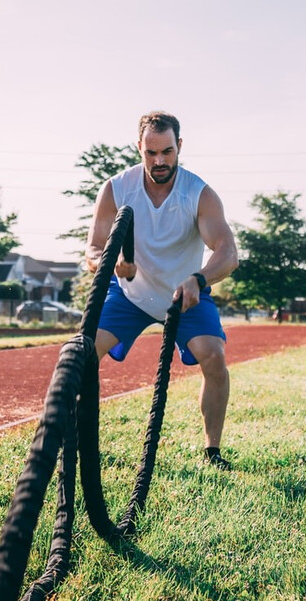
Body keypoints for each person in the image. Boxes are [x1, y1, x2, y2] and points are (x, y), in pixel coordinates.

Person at [85, 111, 239, 470]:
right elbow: (92, 249)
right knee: (84, 352)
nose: (159, 161)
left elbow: (228, 253)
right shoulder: (116, 188)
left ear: (179, 147)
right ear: (139, 148)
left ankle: (212, 451)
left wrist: (198, 280)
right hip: (129, 291)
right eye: (151, 153)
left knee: (214, 358)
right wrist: (108, 263)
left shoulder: (198, 193)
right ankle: (78, 438)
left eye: (167, 152)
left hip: (184, 294)